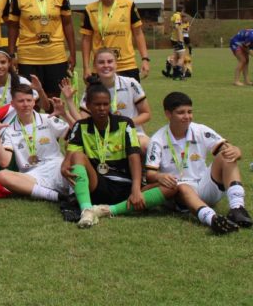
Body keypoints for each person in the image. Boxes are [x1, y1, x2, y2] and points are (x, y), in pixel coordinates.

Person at [60, 81, 175, 229]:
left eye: (105, 104)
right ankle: (86, 210)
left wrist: (135, 188)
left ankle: (106, 211)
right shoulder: (80, 126)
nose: (102, 108)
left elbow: (134, 157)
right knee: (77, 155)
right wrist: (64, 167)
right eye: (97, 104)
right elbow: (70, 156)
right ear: (88, 106)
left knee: (173, 187)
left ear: (110, 105)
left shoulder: (125, 124)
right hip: (97, 184)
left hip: (126, 186)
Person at [145, 92, 252, 234]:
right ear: (168, 114)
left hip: (204, 185)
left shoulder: (200, 130)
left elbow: (228, 149)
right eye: (181, 113)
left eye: (189, 112)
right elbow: (150, 174)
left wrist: (236, 151)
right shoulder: (158, 139)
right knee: (183, 187)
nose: (187, 116)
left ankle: (237, 208)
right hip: (179, 191)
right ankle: (213, 219)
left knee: (226, 155)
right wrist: (160, 177)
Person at [7, 0, 75, 97]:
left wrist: (73, 53)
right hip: (28, 57)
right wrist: (11, 54)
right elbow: (13, 26)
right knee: (31, 100)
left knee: (54, 100)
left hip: (55, 56)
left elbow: (68, 24)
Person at [0, 85, 72, 202]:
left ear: (34, 102)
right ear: (13, 104)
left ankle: (61, 192)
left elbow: (78, 134)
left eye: (29, 100)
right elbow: (4, 162)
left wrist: (65, 114)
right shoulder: (9, 130)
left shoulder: (47, 119)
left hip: (57, 167)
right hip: (33, 175)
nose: (26, 104)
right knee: (2, 176)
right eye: (21, 101)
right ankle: (56, 197)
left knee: (77, 155)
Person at [66, 49, 151, 151]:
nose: (106, 65)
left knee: (145, 145)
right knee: (70, 145)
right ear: (95, 67)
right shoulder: (91, 88)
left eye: (110, 61)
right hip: (102, 135)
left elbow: (146, 114)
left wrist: (124, 124)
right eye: (101, 62)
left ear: (116, 64)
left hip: (130, 131)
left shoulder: (131, 83)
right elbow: (82, 120)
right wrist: (69, 101)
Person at [80, 0, 150, 81]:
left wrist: (145, 59)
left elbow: (138, 33)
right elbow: (86, 40)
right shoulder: (90, 9)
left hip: (127, 66)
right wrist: (86, 68)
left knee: (130, 98)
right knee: (101, 98)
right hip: (101, 67)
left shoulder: (128, 5)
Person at [166, 7, 186, 80]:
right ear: (182, 10)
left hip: (173, 39)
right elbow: (177, 27)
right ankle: (179, 74)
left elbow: (172, 26)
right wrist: (180, 39)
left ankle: (174, 75)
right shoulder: (178, 16)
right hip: (178, 40)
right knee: (181, 58)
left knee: (175, 57)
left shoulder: (174, 16)